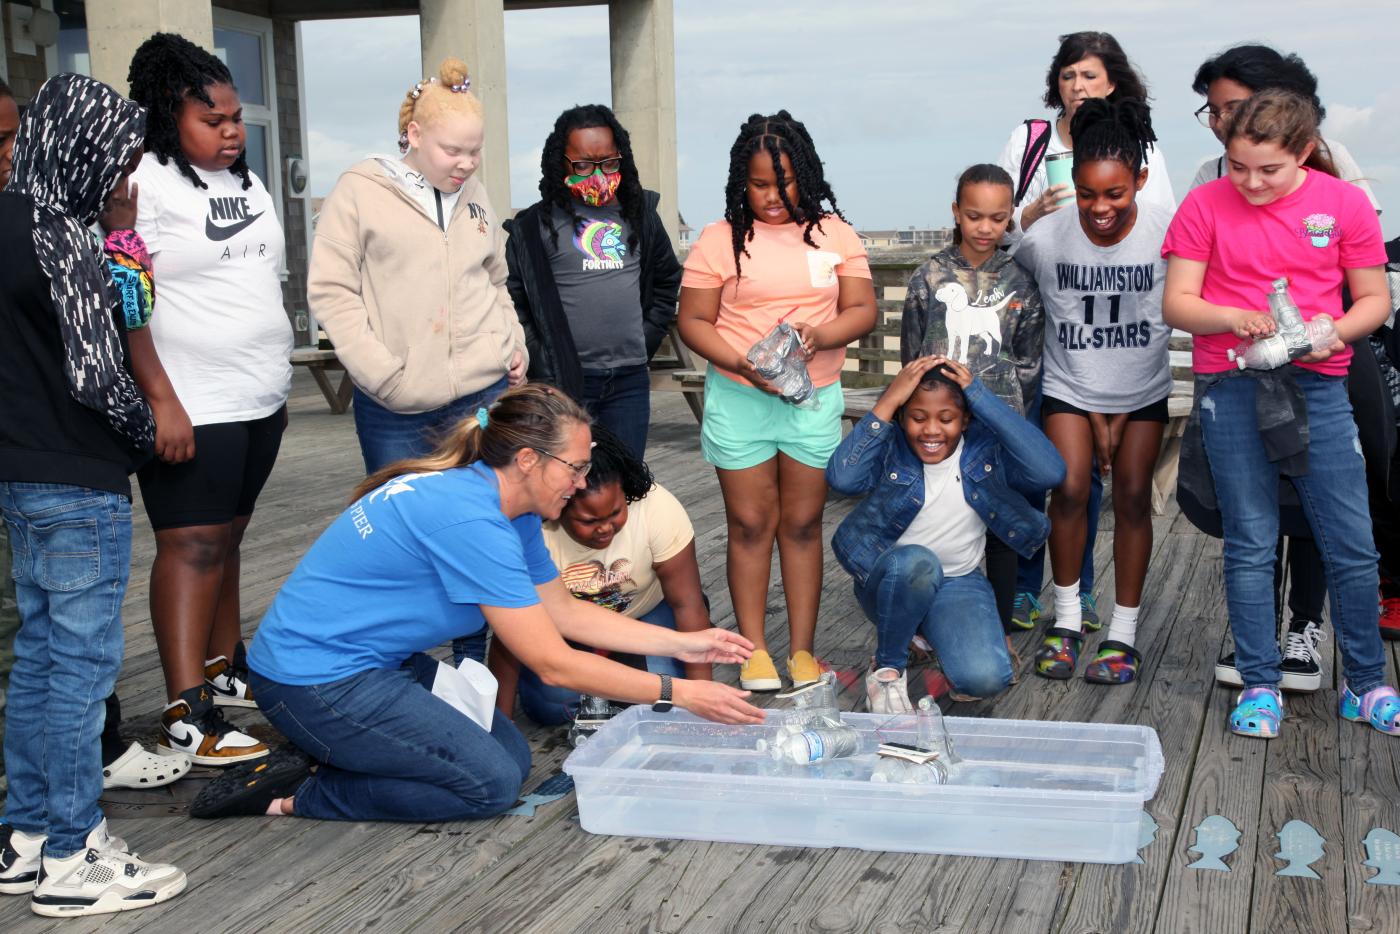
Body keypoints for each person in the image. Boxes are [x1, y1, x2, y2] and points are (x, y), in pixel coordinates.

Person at [188, 385, 761, 822]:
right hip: (312, 680)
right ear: (530, 460)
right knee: (485, 786)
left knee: (509, 759)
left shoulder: (507, 507)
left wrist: (688, 642)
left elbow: (563, 612)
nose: (582, 480)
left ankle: (345, 753)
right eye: (577, 466)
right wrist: (682, 691)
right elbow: (552, 661)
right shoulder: (472, 519)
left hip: (376, 664)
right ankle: (299, 794)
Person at [0, 73, 186, 917]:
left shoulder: (8, 222)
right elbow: (99, 374)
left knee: (39, 661)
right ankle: (75, 856)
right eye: (117, 159)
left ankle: (28, 835)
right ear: (82, 151)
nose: (125, 178)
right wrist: (145, 433)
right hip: (80, 478)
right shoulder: (64, 241)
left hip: (19, 474)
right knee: (79, 670)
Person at [1162, 90, 1397, 739]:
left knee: (1352, 542)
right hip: (1233, 385)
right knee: (1251, 541)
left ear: (1301, 151)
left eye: (1267, 169)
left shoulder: (1344, 202)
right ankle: (1261, 684)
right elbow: (1178, 303)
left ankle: (1366, 683)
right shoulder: (1205, 203)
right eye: (1238, 167)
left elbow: (1374, 298)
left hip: (1320, 385)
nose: (1251, 183)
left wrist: (1338, 331)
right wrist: (1230, 316)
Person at [125, 32, 294, 766]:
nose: (231, 133)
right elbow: (127, 296)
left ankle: (226, 675)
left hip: (260, 396)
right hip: (191, 402)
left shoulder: (246, 182)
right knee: (189, 546)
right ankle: (183, 710)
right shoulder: (139, 181)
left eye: (235, 119)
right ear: (169, 114)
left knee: (226, 539)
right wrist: (158, 397)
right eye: (213, 120)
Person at [677, 111, 877, 691]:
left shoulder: (835, 233)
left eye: (784, 182)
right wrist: (743, 362)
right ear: (742, 179)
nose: (771, 196)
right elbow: (693, 320)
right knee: (748, 524)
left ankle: (804, 652)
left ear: (805, 175)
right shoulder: (719, 239)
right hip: (740, 398)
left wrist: (822, 336)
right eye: (759, 184)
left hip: (813, 399)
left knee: (802, 523)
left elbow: (862, 310)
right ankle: (755, 652)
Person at [996, 32, 1173, 636]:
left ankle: (1122, 630)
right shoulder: (1048, 236)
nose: (1099, 208)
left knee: (1129, 497)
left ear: (1141, 182)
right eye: (1088, 193)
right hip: (1070, 385)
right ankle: (1067, 620)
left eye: (1116, 195)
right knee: (1068, 489)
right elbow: (1004, 267)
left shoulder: (1165, 231)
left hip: (1142, 388)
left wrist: (1119, 409)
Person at [311, 56, 527, 476]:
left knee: (482, 520)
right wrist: (381, 374)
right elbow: (330, 290)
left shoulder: (475, 193)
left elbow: (495, 279)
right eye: (452, 151)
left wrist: (512, 344)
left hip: (484, 394)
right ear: (414, 134)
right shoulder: (359, 189)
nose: (465, 163)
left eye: (475, 151)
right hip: (395, 405)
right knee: (403, 528)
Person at [828, 356, 1065, 712]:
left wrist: (978, 394)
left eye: (947, 418)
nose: (932, 431)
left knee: (985, 679)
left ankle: (928, 633)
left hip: (958, 583)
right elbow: (842, 478)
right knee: (918, 563)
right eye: (918, 418)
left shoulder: (984, 452)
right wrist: (889, 399)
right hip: (891, 579)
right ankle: (888, 670)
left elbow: (1050, 471)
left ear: (965, 419)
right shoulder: (892, 449)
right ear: (903, 417)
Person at [901, 163, 1045, 631]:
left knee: (999, 527)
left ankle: (999, 626)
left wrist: (1006, 417)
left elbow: (1029, 361)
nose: (986, 228)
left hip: (998, 428)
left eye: (999, 218)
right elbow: (911, 356)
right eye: (975, 215)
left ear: (1010, 217)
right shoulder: (929, 277)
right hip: (937, 430)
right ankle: (922, 622)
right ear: (956, 213)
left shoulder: (1022, 281)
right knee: (930, 520)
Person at [489, 425, 713, 724]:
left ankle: (614, 670)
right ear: (560, 506)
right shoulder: (533, 527)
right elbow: (508, 637)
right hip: (565, 629)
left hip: (645, 614)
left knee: (670, 692)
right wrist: (499, 722)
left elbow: (688, 605)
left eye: (616, 513)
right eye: (589, 520)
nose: (605, 528)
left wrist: (705, 699)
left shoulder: (657, 508)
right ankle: (613, 672)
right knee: (552, 706)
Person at [506, 104, 682, 457]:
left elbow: (666, 281)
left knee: (625, 483)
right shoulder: (533, 227)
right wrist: (541, 358)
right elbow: (513, 299)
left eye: (608, 163)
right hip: (564, 383)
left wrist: (644, 339)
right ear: (562, 163)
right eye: (583, 165)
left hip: (629, 381)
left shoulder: (641, 215)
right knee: (562, 485)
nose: (597, 175)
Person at [997, 31, 1175, 248]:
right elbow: (987, 227)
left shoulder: (1141, 150)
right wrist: (1030, 215)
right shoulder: (1027, 141)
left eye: (1089, 76)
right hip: (1035, 279)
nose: (1077, 86)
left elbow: (1161, 231)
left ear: (1111, 84)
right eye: (1067, 76)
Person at [1188, 44, 1381, 211]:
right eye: (1213, 111)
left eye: (1235, 108)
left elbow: (1362, 237)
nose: (1220, 122)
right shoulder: (1210, 174)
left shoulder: (1331, 154)